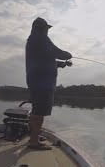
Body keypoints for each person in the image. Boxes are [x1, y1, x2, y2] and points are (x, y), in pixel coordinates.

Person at [25, 17, 72, 150]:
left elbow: (44, 59)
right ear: (42, 28)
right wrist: (68, 55)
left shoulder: (33, 40)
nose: (47, 31)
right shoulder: (41, 38)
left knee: (36, 110)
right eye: (46, 28)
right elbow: (56, 52)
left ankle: (33, 136)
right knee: (39, 112)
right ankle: (33, 141)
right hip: (43, 83)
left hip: (35, 81)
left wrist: (59, 64)